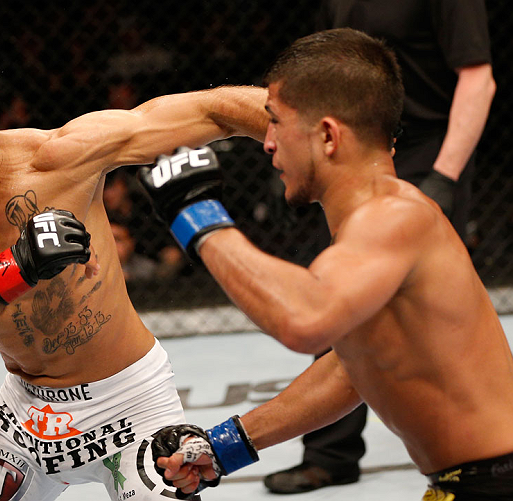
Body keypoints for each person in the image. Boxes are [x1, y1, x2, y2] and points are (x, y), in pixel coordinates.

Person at [0, 36, 268, 501]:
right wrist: (14, 269)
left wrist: (327, 134)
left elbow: (213, 111)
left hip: (133, 403)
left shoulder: (58, 158)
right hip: (24, 413)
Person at [137, 28, 513, 501]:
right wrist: (222, 446)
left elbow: (305, 321)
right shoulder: (378, 223)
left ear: (329, 136)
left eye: (275, 122)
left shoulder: (392, 218)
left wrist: (195, 214)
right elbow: (349, 370)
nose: (268, 142)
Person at [261, 1, 498, 493]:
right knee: (347, 303)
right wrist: (286, 137)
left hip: (426, 146)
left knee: (404, 314)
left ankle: (481, 451)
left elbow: (478, 79)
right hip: (353, 145)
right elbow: (314, 84)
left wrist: (444, 175)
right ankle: (331, 454)